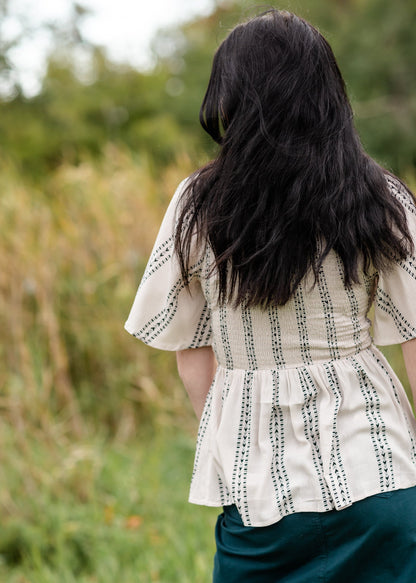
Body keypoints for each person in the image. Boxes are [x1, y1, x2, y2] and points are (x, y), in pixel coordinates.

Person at [125, 9, 416, 582]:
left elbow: (192, 354)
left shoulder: (197, 206)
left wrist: (232, 439)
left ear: (233, 98)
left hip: (262, 493)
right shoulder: (379, 194)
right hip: (381, 473)